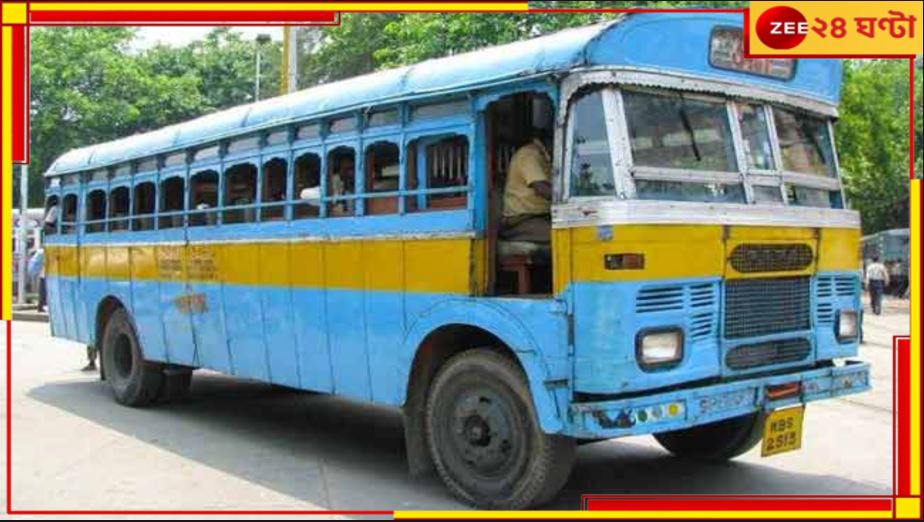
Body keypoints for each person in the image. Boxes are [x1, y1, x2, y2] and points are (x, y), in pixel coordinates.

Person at [500, 133, 552, 244]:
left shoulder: (544, 157)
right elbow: (541, 189)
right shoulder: (529, 155)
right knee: (561, 235)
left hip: (539, 217)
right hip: (521, 220)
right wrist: (565, 199)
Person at [27, 248, 46, 313]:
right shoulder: (44, 252)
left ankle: (40, 307)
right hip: (47, 275)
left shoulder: (41, 252)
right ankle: (41, 307)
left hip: (42, 275)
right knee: (44, 292)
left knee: (42, 292)